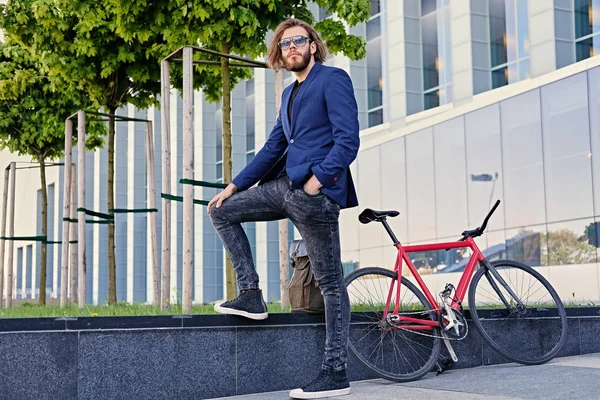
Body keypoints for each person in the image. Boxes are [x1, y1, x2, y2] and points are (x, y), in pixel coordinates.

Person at [207, 18, 360, 399]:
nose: (292, 47)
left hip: (316, 196)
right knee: (221, 211)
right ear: (279, 53)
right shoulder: (289, 96)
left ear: (312, 45)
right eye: (285, 43)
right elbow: (273, 148)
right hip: (283, 189)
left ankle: (335, 371)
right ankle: (251, 293)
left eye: (299, 41)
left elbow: (348, 140)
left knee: (329, 283)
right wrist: (232, 186)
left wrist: (316, 182)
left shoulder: (333, 79)